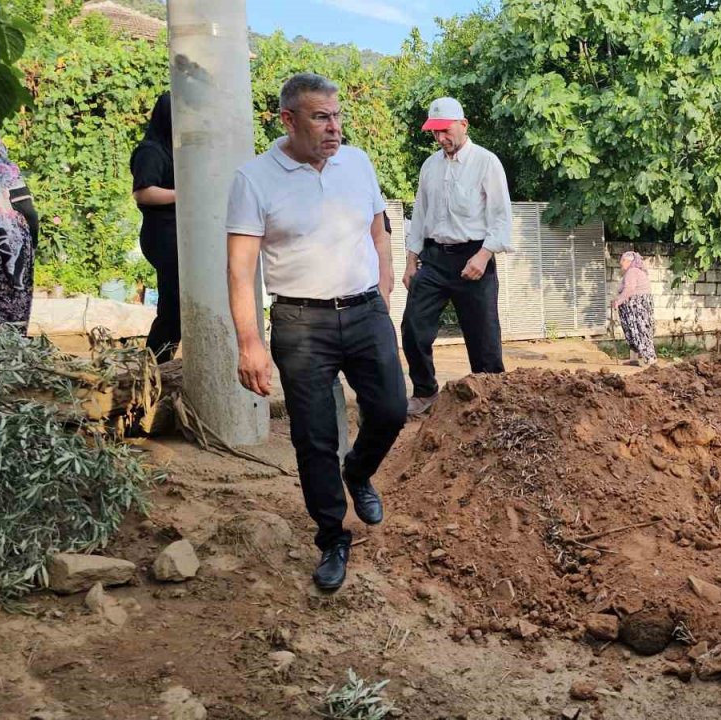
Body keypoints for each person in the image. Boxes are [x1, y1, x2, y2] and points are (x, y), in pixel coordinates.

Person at [225, 73, 407, 591]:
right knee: (314, 437)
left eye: (337, 115)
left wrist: (384, 289)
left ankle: (359, 471)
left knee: (392, 409)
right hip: (301, 321)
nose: (334, 128)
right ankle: (332, 537)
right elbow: (240, 268)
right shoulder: (254, 179)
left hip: (366, 310)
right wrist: (249, 342)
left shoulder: (358, 162)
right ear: (289, 120)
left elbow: (378, 230)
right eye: (321, 117)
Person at [401, 96, 512, 417]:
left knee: (484, 338)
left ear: (463, 125)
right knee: (413, 327)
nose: (440, 138)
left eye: (445, 131)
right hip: (434, 259)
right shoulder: (430, 166)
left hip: (474, 257)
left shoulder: (486, 162)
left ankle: (492, 399)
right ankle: (425, 392)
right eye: (435, 132)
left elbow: (501, 217)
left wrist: (484, 255)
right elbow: (420, 215)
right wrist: (411, 260)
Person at [131, 92, 180, 363]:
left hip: (176, 235)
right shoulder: (151, 151)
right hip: (162, 235)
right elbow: (143, 193)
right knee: (174, 306)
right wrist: (185, 194)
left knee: (177, 306)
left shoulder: (175, 149)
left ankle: (159, 362)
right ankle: (154, 364)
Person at [0, 129, 39, 331]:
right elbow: (29, 212)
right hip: (9, 246)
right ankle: (11, 340)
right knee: (11, 312)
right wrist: (33, 244)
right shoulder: (5, 171)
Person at [612, 251, 656, 366]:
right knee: (633, 331)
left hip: (636, 306)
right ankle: (634, 359)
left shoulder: (632, 271)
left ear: (628, 261)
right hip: (636, 305)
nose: (621, 263)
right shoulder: (634, 271)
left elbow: (629, 289)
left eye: (623, 260)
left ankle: (650, 360)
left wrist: (619, 301)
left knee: (640, 331)